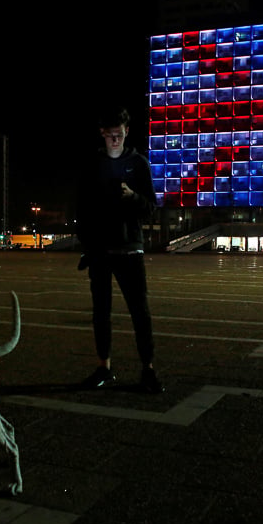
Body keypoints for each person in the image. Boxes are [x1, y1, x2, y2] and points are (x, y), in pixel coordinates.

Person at [76, 107, 163, 393]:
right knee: (101, 312)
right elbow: (81, 208)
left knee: (140, 311)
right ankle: (104, 367)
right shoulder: (92, 164)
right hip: (100, 250)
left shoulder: (139, 164)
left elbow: (151, 208)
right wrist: (87, 245)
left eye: (119, 134)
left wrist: (132, 196)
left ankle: (148, 369)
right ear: (102, 134)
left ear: (127, 132)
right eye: (110, 135)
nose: (115, 139)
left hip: (129, 249)